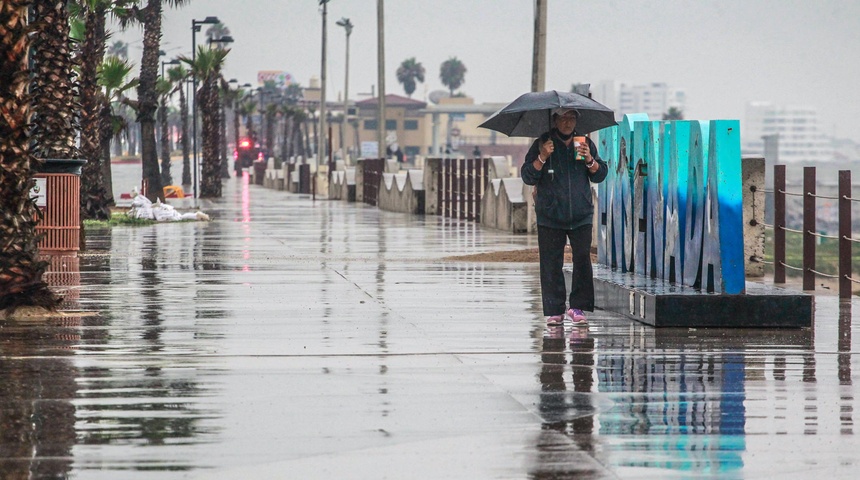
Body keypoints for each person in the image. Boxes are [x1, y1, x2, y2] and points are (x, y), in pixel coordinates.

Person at [520, 108, 608, 327]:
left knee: (582, 260)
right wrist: (542, 157)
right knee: (551, 263)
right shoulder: (543, 143)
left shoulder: (583, 143)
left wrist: (589, 159)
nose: (568, 123)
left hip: (580, 214)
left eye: (572, 118)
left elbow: (600, 174)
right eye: (564, 118)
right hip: (550, 215)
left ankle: (578, 307)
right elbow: (528, 176)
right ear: (555, 120)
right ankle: (554, 310)